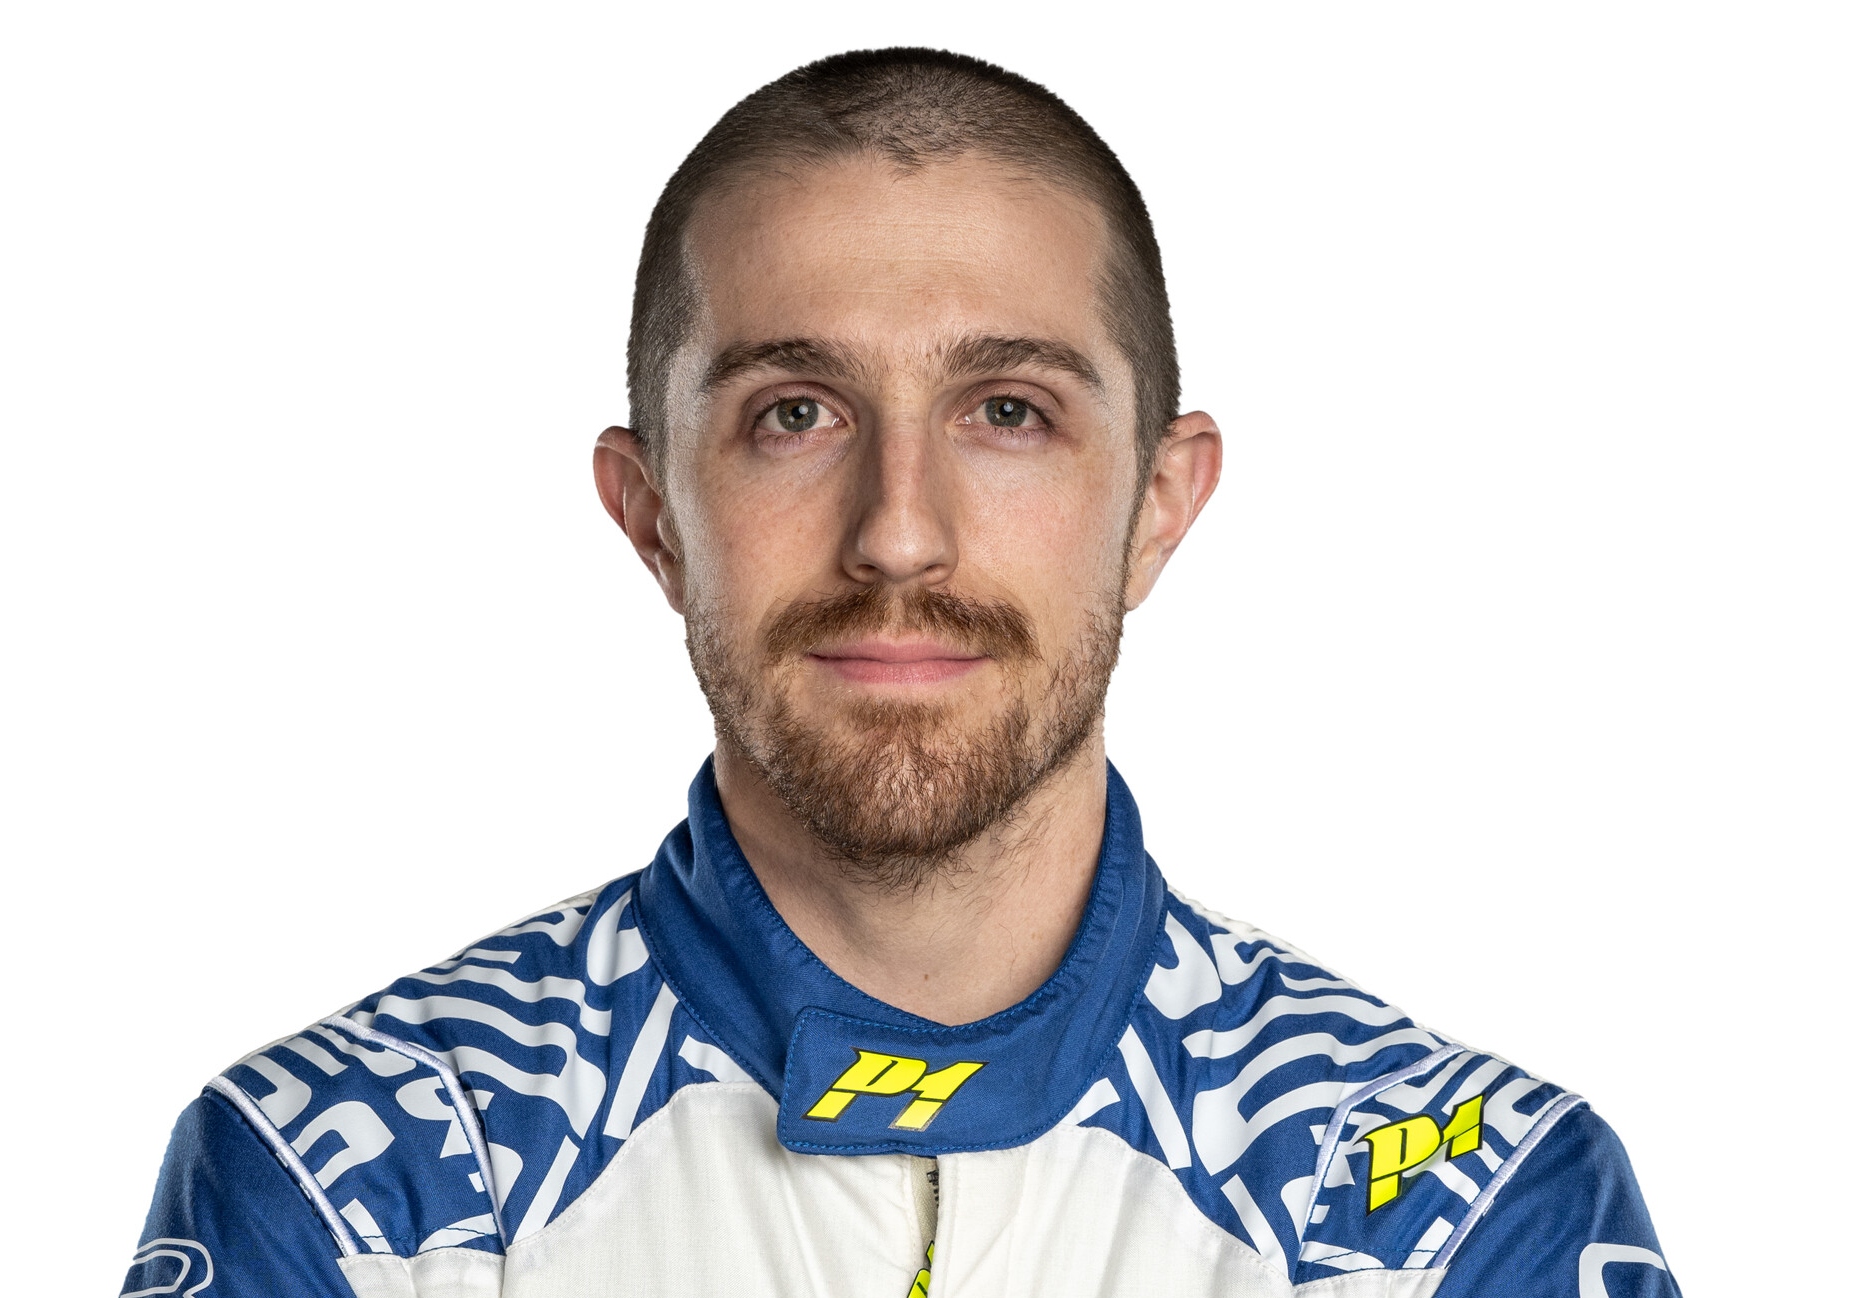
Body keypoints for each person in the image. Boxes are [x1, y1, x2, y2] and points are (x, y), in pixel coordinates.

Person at [123, 48, 1679, 1298]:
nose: (899, 534)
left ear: (1157, 504)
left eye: (1007, 411)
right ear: (653, 515)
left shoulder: (1452, 1208)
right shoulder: (359, 1191)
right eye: (794, 413)